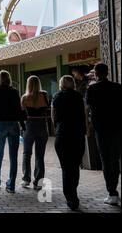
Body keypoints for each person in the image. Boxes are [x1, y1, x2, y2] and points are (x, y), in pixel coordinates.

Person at [86, 63, 122, 206]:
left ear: (96, 73)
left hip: (101, 128)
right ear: (107, 72)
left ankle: (112, 192)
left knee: (106, 159)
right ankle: (113, 190)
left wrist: (87, 126)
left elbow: (87, 108)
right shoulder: (118, 87)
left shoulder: (92, 89)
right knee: (115, 157)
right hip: (117, 127)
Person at [52, 75, 86, 210]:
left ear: (61, 85)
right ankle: (73, 193)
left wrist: (57, 128)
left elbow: (54, 116)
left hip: (63, 135)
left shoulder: (57, 97)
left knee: (66, 168)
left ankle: (71, 198)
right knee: (75, 167)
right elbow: (83, 113)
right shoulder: (78, 97)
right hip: (77, 135)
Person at [0, 70, 24, 193]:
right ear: (9, 79)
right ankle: (11, 185)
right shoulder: (15, 92)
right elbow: (19, 110)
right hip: (14, 124)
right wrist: (22, 124)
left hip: (1, 124)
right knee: (13, 156)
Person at [20, 76, 49, 190]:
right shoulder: (45, 95)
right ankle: (38, 182)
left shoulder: (25, 97)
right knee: (39, 156)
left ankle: (26, 179)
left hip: (29, 126)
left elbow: (21, 115)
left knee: (27, 154)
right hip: (42, 125)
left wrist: (22, 128)